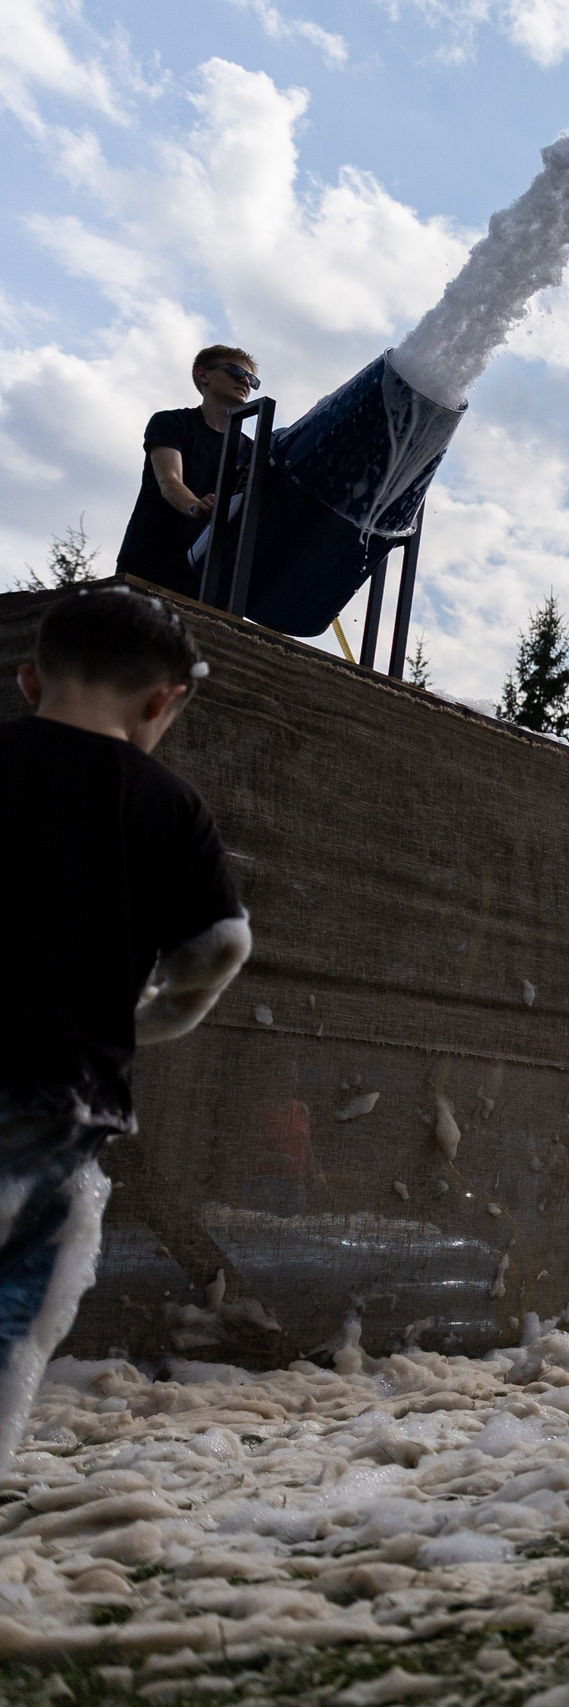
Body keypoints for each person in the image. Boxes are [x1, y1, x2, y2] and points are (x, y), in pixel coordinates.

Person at [1, 589, 250, 1458]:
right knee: (10, 1313)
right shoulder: (169, 806)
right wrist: (150, 1018)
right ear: (161, 702)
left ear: (29, 679)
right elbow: (216, 948)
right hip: (60, 1096)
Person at [114, 348, 262, 599]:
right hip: (152, 560)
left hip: (210, 571)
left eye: (252, 379)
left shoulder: (251, 451)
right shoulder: (171, 423)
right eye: (236, 371)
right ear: (202, 375)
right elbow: (169, 480)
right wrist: (196, 507)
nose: (244, 381)